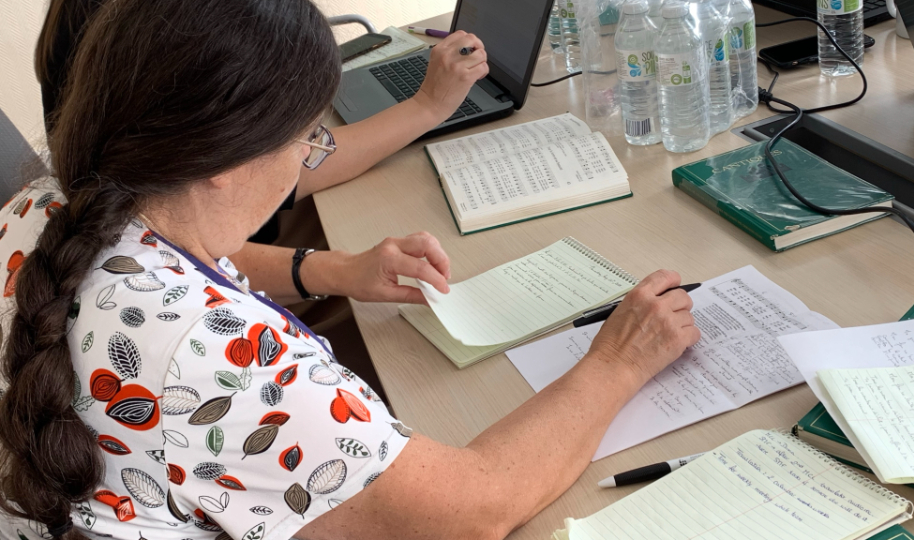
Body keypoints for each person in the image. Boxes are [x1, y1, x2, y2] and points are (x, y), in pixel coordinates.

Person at [0, 2, 700, 540]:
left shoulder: (46, 202)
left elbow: (186, 267)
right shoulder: (224, 359)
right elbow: (477, 506)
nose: (311, 153)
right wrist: (617, 358)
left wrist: (331, 270)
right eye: (310, 136)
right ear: (225, 161)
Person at [34, 0, 488, 306]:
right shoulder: (219, 346)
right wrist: (426, 106)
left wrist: (333, 269)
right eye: (309, 134)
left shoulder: (36, 204)